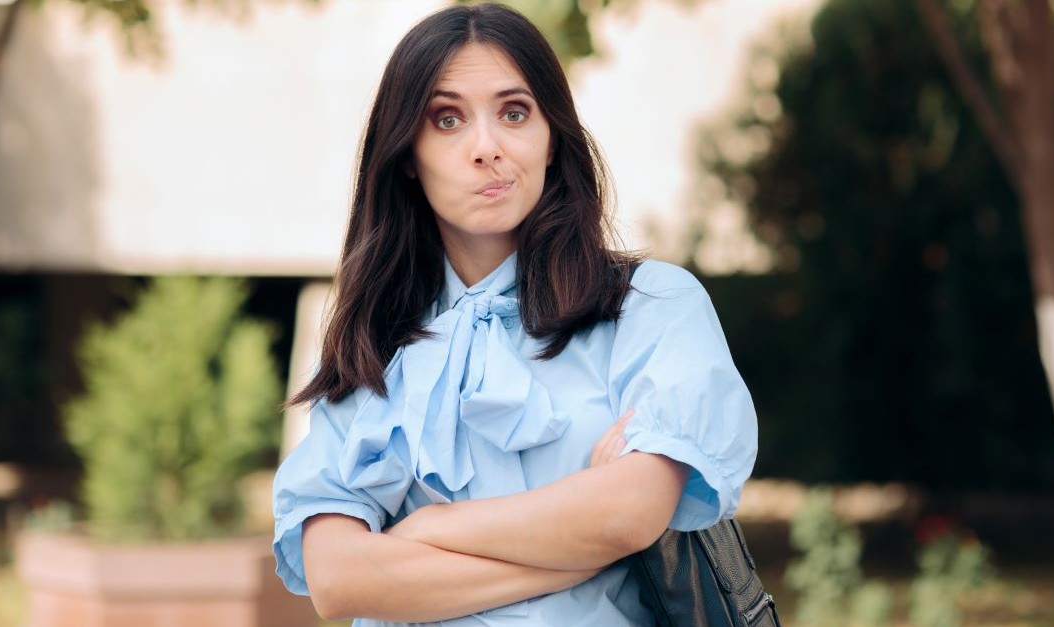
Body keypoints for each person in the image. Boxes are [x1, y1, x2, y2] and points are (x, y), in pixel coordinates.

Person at [272, 4, 758, 625]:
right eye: (447, 119)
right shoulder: (373, 338)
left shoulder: (653, 306)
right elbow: (339, 580)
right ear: (407, 156)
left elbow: (629, 513)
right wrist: (578, 541)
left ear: (552, 138)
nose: (486, 148)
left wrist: (427, 527)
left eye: (514, 112)